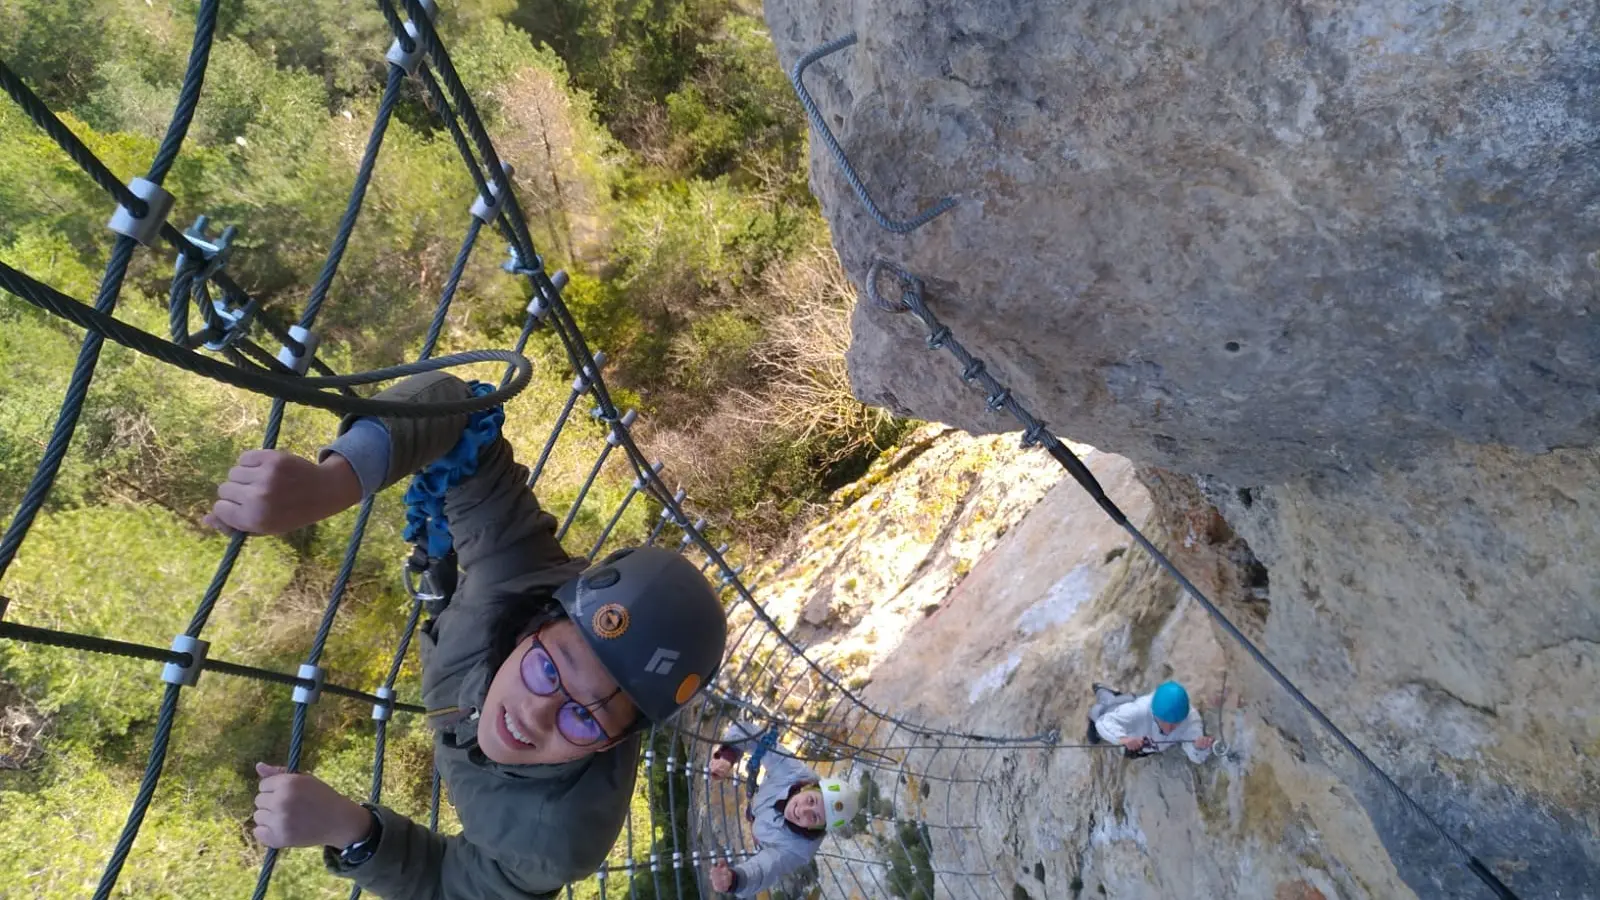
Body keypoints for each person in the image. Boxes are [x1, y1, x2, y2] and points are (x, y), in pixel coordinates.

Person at [207, 371, 728, 900]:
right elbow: (463, 410)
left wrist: (351, 831)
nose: (535, 715)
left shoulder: (556, 840)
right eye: (548, 670)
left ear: (614, 743)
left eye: (583, 718)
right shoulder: (517, 573)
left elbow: (456, 887)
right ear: (536, 623)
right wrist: (335, 482)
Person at [703, 719, 859, 898]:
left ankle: (755, 816)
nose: (802, 811)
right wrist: (728, 755)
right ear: (807, 787)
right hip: (760, 807)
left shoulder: (799, 848)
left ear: (817, 829)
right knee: (755, 813)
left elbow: (764, 869)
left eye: (814, 817)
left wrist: (735, 880)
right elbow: (755, 737)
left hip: (764, 827)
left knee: (756, 819)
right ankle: (754, 814)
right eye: (811, 800)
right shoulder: (794, 772)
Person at [1086, 680, 1215, 763]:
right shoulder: (1139, 711)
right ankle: (1102, 690)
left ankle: (1116, 695)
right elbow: (1104, 722)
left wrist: (1199, 748)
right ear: (1154, 713)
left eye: (1176, 723)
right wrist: (1123, 739)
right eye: (1165, 721)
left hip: (1145, 746)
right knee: (1096, 726)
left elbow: (1197, 757)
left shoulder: (1190, 719)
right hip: (1127, 728)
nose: (1170, 728)